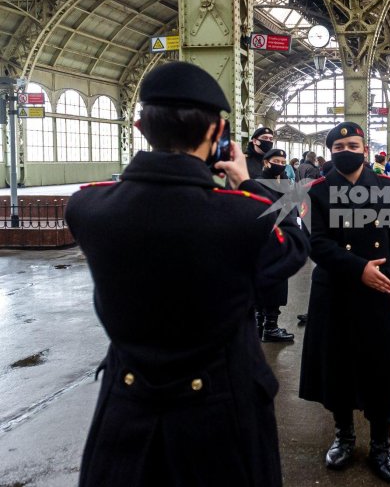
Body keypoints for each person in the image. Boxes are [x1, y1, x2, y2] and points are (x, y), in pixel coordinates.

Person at [65, 61, 309, 487]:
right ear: (217, 133)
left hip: (126, 415)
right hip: (222, 418)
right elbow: (293, 248)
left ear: (141, 127)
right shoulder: (242, 216)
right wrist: (248, 184)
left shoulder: (88, 208)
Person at [299, 121, 390, 483]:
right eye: (339, 147)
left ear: (365, 149)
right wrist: (358, 268)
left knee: (379, 365)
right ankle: (344, 437)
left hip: (380, 289)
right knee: (339, 364)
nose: (346, 151)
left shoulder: (388, 188)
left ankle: (381, 444)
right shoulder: (317, 190)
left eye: (353, 144)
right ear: (331, 152)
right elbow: (316, 243)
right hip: (336, 288)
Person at [257, 148, 296, 343]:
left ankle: (267, 325)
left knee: (277, 283)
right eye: (276, 161)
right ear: (266, 162)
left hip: (282, 239)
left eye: (283, 161)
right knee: (267, 282)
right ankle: (264, 326)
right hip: (266, 239)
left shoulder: (286, 183)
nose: (280, 164)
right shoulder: (258, 184)